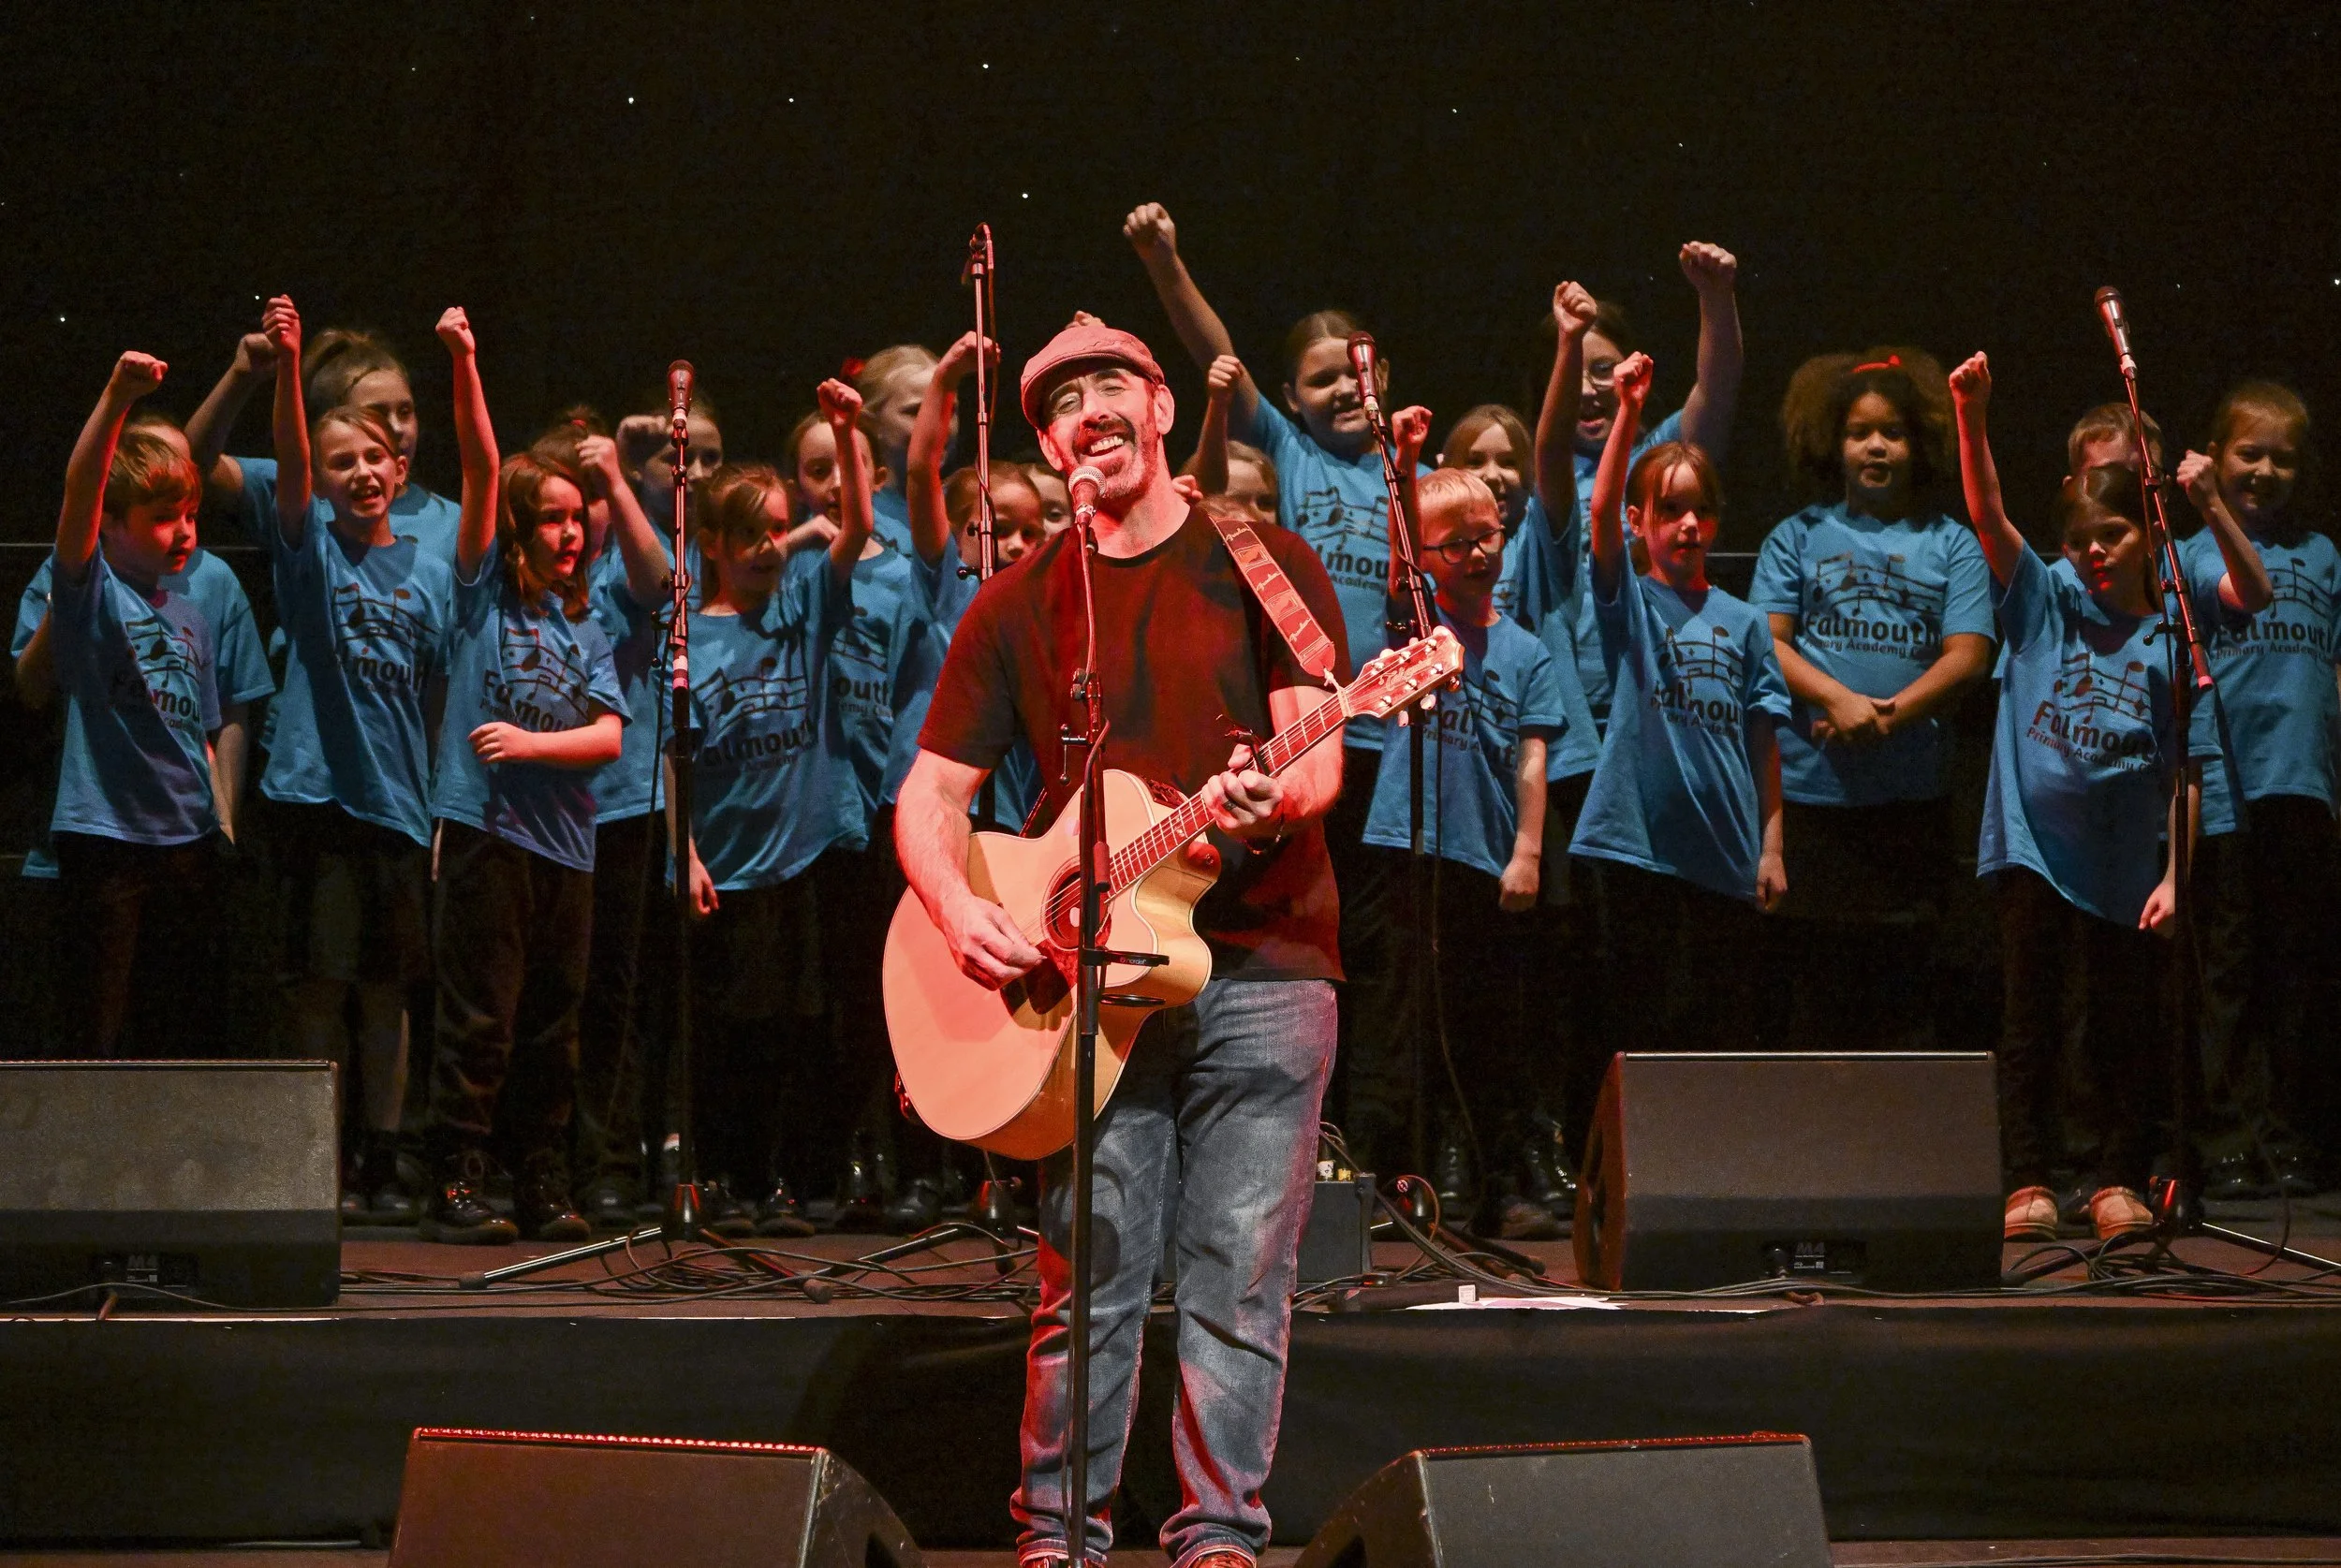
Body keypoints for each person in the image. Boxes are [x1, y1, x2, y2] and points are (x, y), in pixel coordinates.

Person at [897, 315, 1347, 1568]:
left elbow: (1319, 735)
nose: (1087, 413)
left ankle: (1216, 1537)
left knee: (1239, 1274)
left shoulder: (1263, 558)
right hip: (1085, 980)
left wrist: (1281, 789)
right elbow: (930, 793)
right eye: (1059, 406)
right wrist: (958, 903)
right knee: (1086, 1267)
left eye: (1111, 388)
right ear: (1045, 446)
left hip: (1263, 964)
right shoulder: (1023, 598)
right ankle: (1059, 1535)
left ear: (1160, 408)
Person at [1947, 351, 2260, 1243]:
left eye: (2111, 537)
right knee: (2031, 1013)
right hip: (2034, 847)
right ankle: (2029, 1176)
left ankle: (2114, 1174)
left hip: (2125, 862)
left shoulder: (2172, 629)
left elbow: (2187, 768)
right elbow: (1987, 514)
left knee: (2117, 1020)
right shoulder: (2044, 597)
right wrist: (1973, 417)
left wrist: (2175, 873)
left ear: (2147, 537)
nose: (2091, 552)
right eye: (2080, 538)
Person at [244, 295, 464, 1218]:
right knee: (319, 988)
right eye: (344, 461)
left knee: (388, 991)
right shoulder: (309, 554)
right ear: (324, 481)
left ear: (400, 463)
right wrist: (290, 365)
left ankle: (385, 1149)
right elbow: (289, 459)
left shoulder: (428, 564)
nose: (364, 470)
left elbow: (442, 693)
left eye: (377, 454)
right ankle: (316, 1153)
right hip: (314, 797)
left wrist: (445, 804)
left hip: (400, 808)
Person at [419, 308, 627, 1245]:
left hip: (566, 847)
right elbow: (476, 464)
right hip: (488, 837)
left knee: (554, 1024)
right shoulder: (482, 597)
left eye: (576, 519)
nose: (571, 534)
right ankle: (458, 1177)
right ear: (518, 529)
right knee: (482, 1019)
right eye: (549, 519)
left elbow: (612, 739)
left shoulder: (586, 625)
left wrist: (534, 746)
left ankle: (541, 1179)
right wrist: (465, 358)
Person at [1750, 350, 1995, 1049]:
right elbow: (1769, 642)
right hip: (1810, 800)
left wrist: (1887, 715)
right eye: (1860, 432)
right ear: (1836, 442)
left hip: (1909, 804)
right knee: (1811, 990)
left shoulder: (1952, 545)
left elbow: (1969, 654)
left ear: (1919, 444)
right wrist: (1839, 698)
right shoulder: (1796, 536)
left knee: (1899, 988)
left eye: (1892, 432)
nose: (1876, 445)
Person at [677, 384, 874, 1238]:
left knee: (804, 1032)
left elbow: (856, 533)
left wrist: (843, 430)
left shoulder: (800, 610)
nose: (767, 549)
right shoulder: (689, 633)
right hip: (732, 864)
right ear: (713, 545)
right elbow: (674, 762)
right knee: (736, 1036)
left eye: (776, 531)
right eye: (748, 536)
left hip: (804, 855)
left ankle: (786, 1183)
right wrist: (684, 853)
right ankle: (726, 1176)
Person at [1353, 468, 1568, 1238]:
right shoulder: (1415, 631)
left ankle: (1478, 1174)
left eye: (1488, 535)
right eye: (1457, 543)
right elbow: (1397, 554)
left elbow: (1532, 762)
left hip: (1484, 860)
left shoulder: (1527, 651)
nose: (1477, 552)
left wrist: (1528, 854)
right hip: (1408, 849)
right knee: (1403, 1013)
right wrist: (1404, 458)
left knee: (1479, 1021)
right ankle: (1389, 1178)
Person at [1568, 353, 1791, 1054]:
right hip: (1639, 852)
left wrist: (1771, 848)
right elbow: (1599, 514)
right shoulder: (1633, 602)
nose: (1689, 523)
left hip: (1724, 851)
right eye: (1670, 509)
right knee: (1637, 1018)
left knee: (1716, 1022)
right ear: (1641, 521)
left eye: (1701, 509)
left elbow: (1763, 738)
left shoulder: (1746, 621)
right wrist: (1629, 411)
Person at [43, 352, 227, 1058]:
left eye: (190, 515)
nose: (184, 532)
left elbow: (201, 735)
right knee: (99, 1026)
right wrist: (118, 393)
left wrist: (218, 820)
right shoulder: (91, 593)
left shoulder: (191, 615)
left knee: (173, 1024)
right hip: (109, 841)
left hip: (185, 842)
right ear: (112, 526)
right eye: (161, 518)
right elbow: (79, 488)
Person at [2178, 382, 2331, 1199]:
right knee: (2227, 972)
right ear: (2215, 455)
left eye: (2283, 457)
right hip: (2230, 783)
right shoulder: (2197, 551)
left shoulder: (2324, 555)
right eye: (2250, 452)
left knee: (2296, 975)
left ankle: (2288, 1132)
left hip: (2303, 785)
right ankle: (2226, 1136)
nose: (2266, 469)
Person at [788, 389, 933, 1230]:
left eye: (846, 467)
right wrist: (845, 432)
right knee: (846, 998)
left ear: (876, 474)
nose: (835, 487)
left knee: (908, 994)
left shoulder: (912, 564)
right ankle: (856, 1160)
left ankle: (921, 1162)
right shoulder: (805, 564)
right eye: (817, 471)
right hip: (827, 809)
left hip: (896, 801)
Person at [1538, 246, 1745, 734]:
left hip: (1660, 694)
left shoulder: (1659, 458)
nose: (1589, 389)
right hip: (1570, 710)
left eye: (1604, 369)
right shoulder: (1541, 472)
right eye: (1574, 373)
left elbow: (1716, 389)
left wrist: (1716, 298)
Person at [185, 324, 463, 558]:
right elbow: (192, 465)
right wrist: (240, 378)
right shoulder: (296, 493)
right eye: (376, 414)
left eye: (405, 412)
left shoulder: (449, 522)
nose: (397, 428)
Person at [856, 344, 948, 554]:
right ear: (869, 423)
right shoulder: (852, 515)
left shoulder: (965, 507)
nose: (938, 424)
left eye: (949, 408)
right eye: (917, 411)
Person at [1181, 352, 1281, 528]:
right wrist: (1218, 401)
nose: (1257, 516)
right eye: (1236, 502)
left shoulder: (1293, 553)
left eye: (1266, 503)